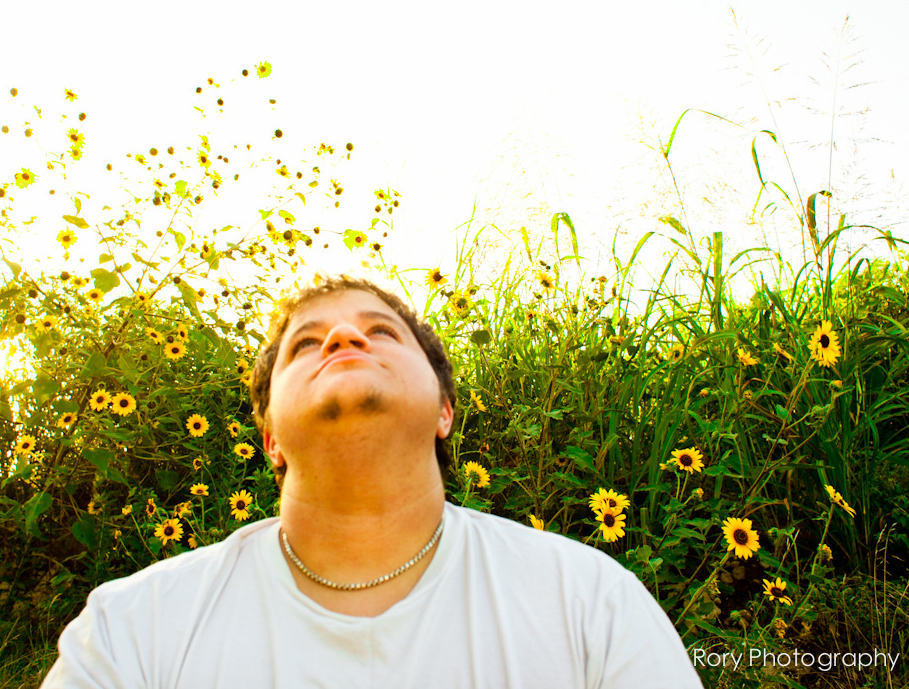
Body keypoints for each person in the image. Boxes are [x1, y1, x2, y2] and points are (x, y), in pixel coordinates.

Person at [41, 276, 703, 688]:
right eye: (306, 344)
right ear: (270, 437)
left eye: (381, 331)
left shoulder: (588, 603)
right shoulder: (133, 629)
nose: (344, 338)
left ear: (444, 410)